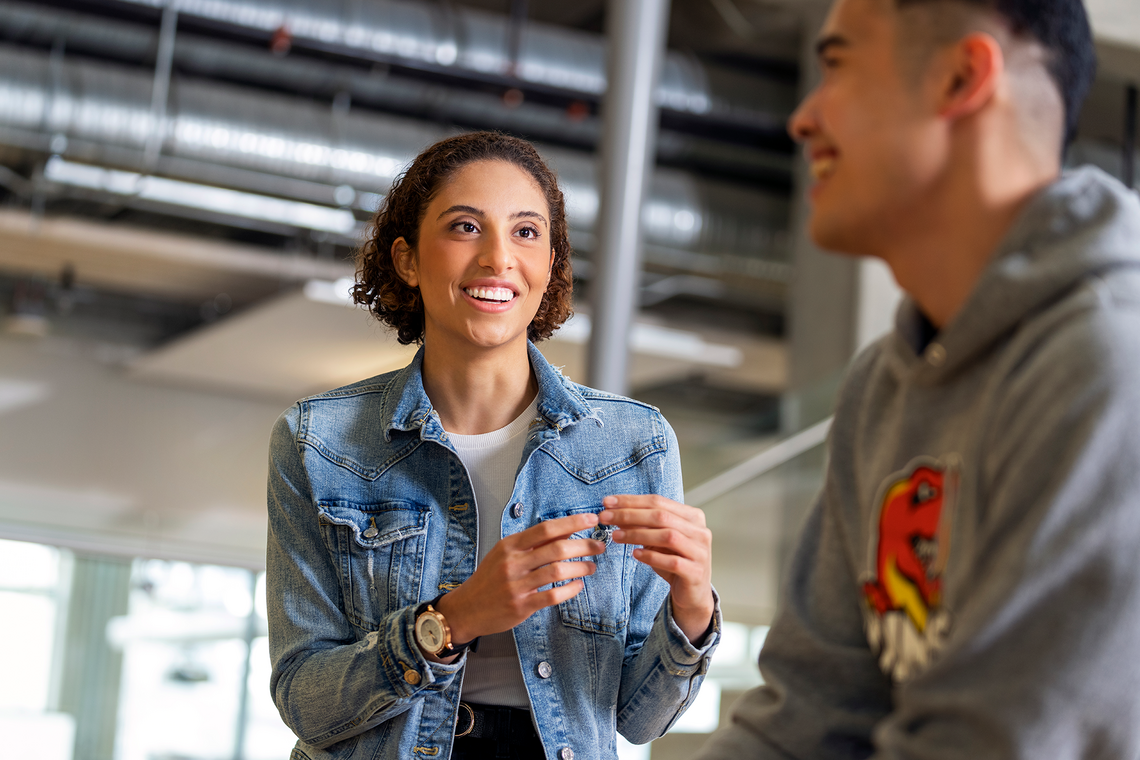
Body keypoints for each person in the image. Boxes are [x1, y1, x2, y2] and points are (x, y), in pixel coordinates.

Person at [690, 0, 1140, 757]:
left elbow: (994, 744)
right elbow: (807, 721)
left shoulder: (1108, 365)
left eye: (837, 65)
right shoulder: (882, 387)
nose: (802, 119)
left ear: (962, 78)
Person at [266, 131, 721, 760]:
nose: (499, 258)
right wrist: (452, 620)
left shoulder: (635, 444)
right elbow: (304, 700)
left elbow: (640, 720)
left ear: (550, 264)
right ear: (407, 260)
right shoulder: (318, 441)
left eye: (526, 232)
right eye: (465, 227)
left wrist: (693, 608)